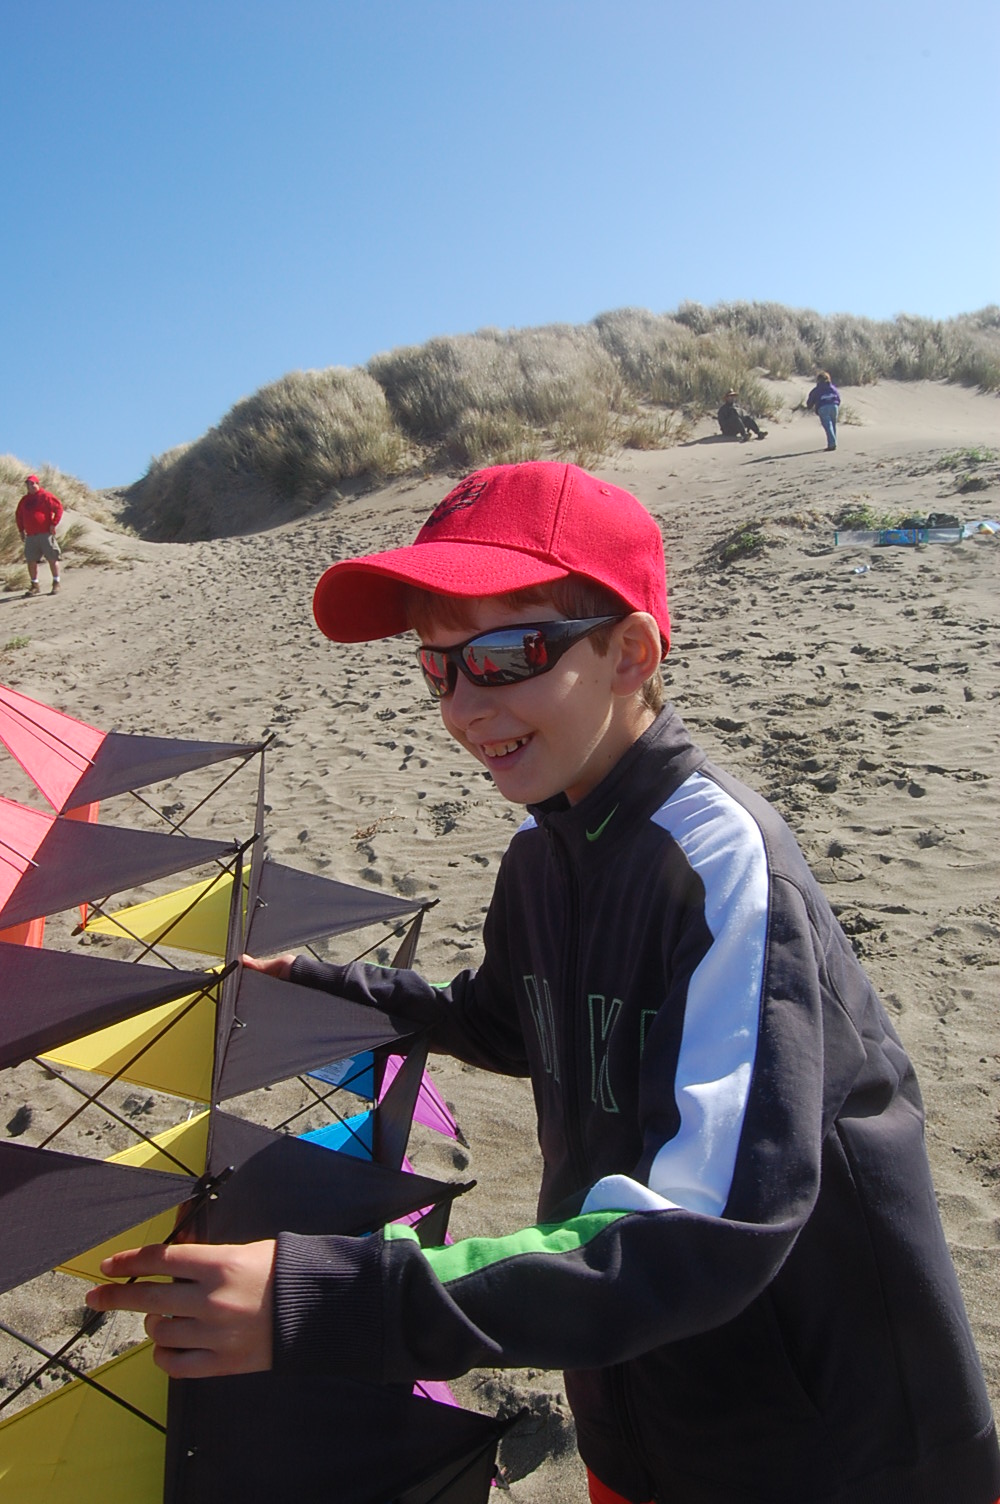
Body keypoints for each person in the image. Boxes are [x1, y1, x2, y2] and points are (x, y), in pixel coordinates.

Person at [87, 462, 1000, 1504]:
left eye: (505, 656)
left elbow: (703, 1229)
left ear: (629, 652)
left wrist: (336, 1297)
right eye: (437, 669)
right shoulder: (543, 851)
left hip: (829, 1447)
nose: (464, 706)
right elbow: (510, 1023)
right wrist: (338, 990)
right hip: (634, 1406)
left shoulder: (723, 865)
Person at [15, 473, 63, 595]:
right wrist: (21, 530)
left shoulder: (45, 496)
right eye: (28, 484)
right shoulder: (24, 500)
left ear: (37, 484)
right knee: (31, 560)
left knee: (52, 558)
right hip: (31, 536)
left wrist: (53, 523)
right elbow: (19, 515)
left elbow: (58, 508)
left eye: (32, 484)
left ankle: (56, 582)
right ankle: (34, 585)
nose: (30, 486)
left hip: (45, 534)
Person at [805, 369, 841, 450]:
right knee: (833, 425)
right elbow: (838, 397)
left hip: (823, 407)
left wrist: (809, 406)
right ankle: (833, 442)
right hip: (834, 406)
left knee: (828, 426)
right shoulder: (833, 388)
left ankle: (832, 444)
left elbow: (811, 399)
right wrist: (836, 404)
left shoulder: (817, 389)